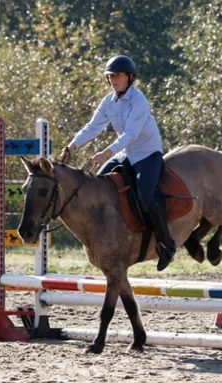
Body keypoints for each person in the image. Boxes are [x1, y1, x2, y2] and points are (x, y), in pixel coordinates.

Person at [59, 55, 176, 271]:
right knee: (97, 185)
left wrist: (106, 153)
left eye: (118, 75)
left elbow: (131, 134)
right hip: (126, 154)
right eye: (110, 76)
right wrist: (72, 146)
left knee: (145, 196)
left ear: (130, 77)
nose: (113, 80)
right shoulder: (108, 101)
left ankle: (166, 243)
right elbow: (93, 126)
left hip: (147, 155)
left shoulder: (139, 100)